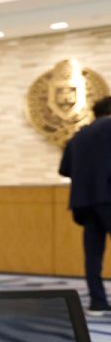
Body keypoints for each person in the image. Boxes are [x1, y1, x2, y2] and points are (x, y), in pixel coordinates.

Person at [59, 97, 111, 312]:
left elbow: (64, 169)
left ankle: (97, 302)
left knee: (93, 254)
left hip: (85, 201)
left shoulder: (79, 135)